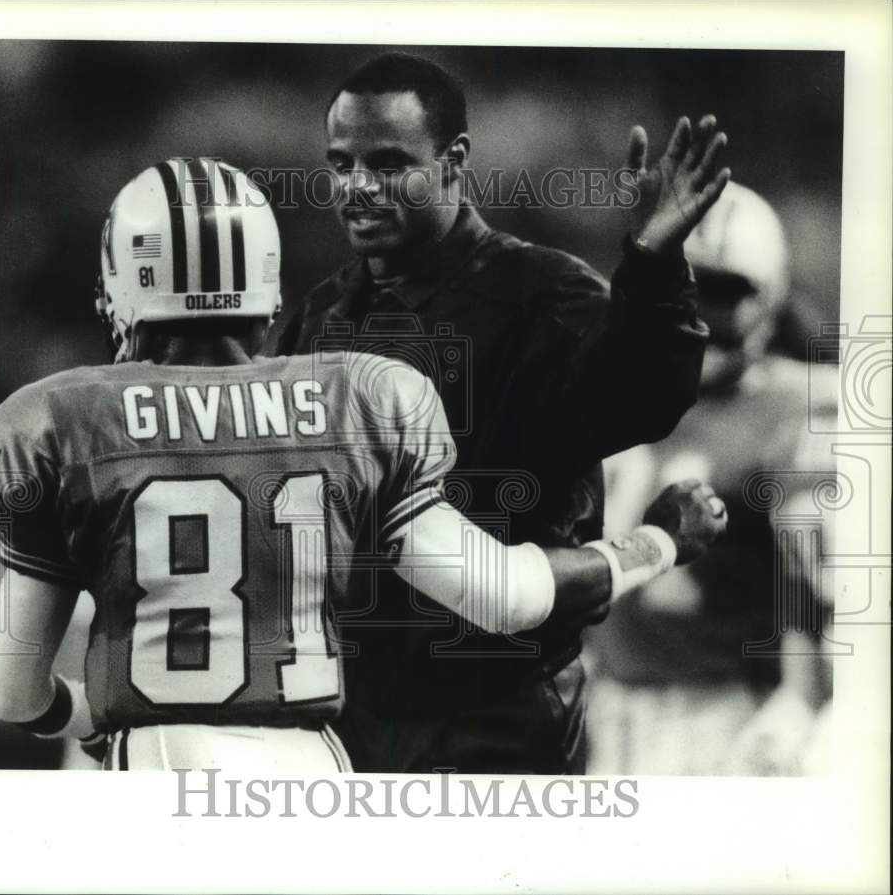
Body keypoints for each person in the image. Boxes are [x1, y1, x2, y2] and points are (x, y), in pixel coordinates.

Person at [0, 158, 728, 772]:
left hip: (157, 768)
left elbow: (11, 693)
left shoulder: (62, 422)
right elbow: (508, 596)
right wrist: (653, 542)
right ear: (266, 288)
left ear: (125, 288)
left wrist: (83, 713)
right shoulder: (358, 401)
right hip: (315, 783)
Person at [267, 52, 731, 772]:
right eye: (340, 163)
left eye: (388, 163)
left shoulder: (540, 292)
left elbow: (647, 393)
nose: (357, 186)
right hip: (349, 714)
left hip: (499, 717)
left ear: (454, 161)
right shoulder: (324, 311)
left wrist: (653, 263)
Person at [585, 181, 837, 775]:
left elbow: (821, 586)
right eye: (685, 287)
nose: (699, 313)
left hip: (723, 714)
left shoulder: (798, 407)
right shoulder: (614, 394)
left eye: (726, 292)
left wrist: (801, 699)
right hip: (611, 708)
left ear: (772, 298)